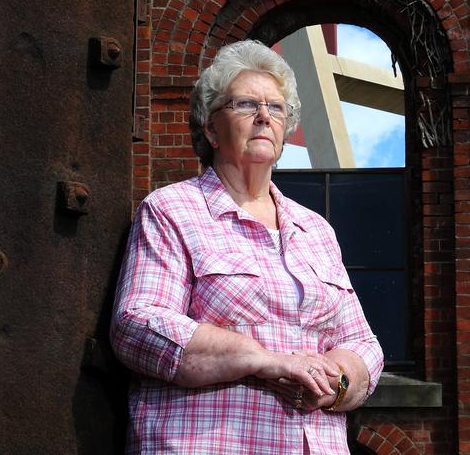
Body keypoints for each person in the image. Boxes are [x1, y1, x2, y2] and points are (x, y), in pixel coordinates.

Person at [111, 40, 383, 455]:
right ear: (209, 127)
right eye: (245, 104)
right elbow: (137, 324)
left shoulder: (316, 230)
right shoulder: (172, 209)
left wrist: (336, 383)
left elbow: (363, 343)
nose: (263, 117)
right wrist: (263, 359)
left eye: (276, 108)